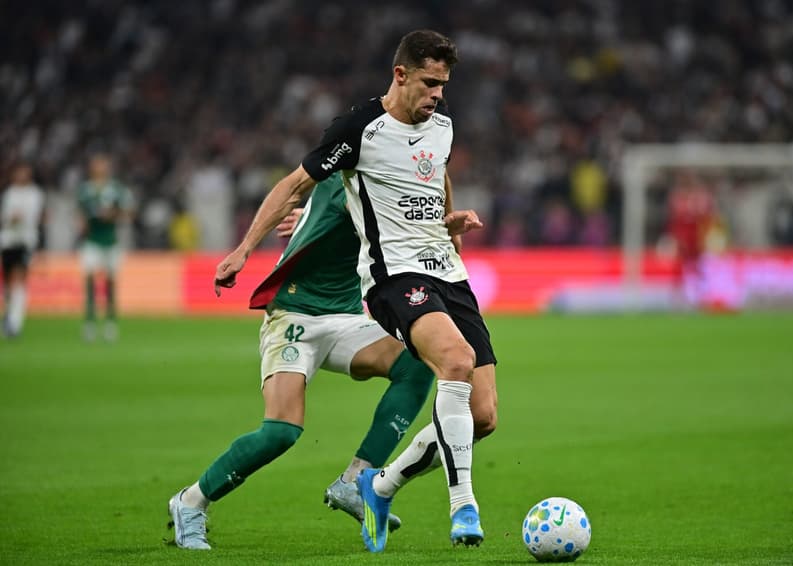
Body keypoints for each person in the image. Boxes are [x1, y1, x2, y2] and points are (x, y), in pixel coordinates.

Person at [213, 29, 498, 552]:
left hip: (448, 272)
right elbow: (293, 184)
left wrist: (448, 222)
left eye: (444, 85)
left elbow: (437, 175)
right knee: (454, 362)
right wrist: (243, 250)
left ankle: (376, 485)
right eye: (430, 83)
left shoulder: (442, 128)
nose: (438, 94)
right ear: (401, 75)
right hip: (395, 277)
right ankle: (464, 506)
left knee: (482, 417)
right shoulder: (358, 128)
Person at [167, 172, 437, 550]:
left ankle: (354, 483)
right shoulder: (355, 170)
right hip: (294, 315)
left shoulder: (376, 181)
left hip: (344, 318)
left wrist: (311, 218)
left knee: (417, 360)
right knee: (281, 431)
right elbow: (343, 206)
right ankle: (190, 502)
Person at [76, 154, 134, 341]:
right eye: (97, 164)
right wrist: (83, 222)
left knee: (110, 282)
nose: (100, 168)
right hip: (92, 241)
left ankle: (110, 322)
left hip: (111, 241)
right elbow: (79, 215)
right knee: (90, 281)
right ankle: (90, 322)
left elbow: (129, 212)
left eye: (103, 164)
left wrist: (113, 214)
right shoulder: (85, 190)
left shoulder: (116, 189)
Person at [1, 163, 46, 338]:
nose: (22, 175)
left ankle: (15, 321)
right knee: (7, 283)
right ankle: (8, 317)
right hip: (7, 241)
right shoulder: (9, 193)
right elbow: (5, 218)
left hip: (25, 241)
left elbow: (32, 218)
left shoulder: (35, 194)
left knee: (19, 279)